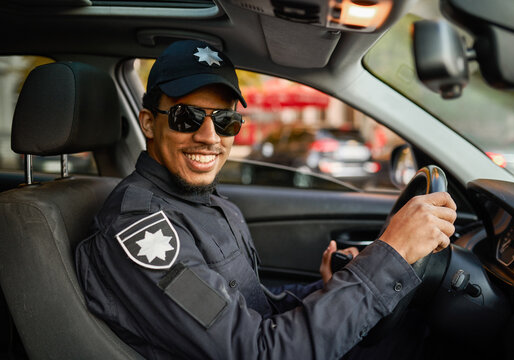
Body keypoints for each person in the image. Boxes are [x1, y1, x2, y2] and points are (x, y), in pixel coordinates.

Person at [75, 40, 457, 360]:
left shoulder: (206, 203)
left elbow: (253, 308)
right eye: (186, 117)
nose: (210, 137)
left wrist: (331, 287)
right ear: (148, 123)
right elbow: (258, 352)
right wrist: (389, 255)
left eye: (226, 121)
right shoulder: (142, 231)